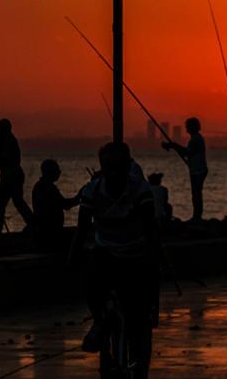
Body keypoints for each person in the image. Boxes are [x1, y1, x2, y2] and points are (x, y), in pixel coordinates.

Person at [74, 142, 160, 378]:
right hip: (106, 254)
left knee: (140, 315)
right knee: (93, 278)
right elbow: (81, 231)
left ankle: (149, 315)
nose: (113, 172)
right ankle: (99, 320)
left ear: (127, 167)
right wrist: (72, 257)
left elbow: (151, 230)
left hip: (136, 254)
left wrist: (153, 260)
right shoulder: (92, 191)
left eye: (118, 167)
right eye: (108, 167)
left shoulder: (140, 190)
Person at [161, 117, 207, 223]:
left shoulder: (195, 139)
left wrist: (173, 145)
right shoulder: (196, 138)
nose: (186, 128)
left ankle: (197, 217)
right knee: (196, 194)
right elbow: (188, 153)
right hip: (197, 170)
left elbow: (188, 152)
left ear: (192, 127)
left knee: (196, 194)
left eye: (187, 126)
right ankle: (197, 216)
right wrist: (174, 146)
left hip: (198, 171)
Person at [31, 159, 79, 251]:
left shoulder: (41, 186)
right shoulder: (47, 188)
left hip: (47, 232)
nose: (59, 172)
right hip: (49, 234)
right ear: (49, 172)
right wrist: (80, 197)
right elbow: (65, 205)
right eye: (57, 169)